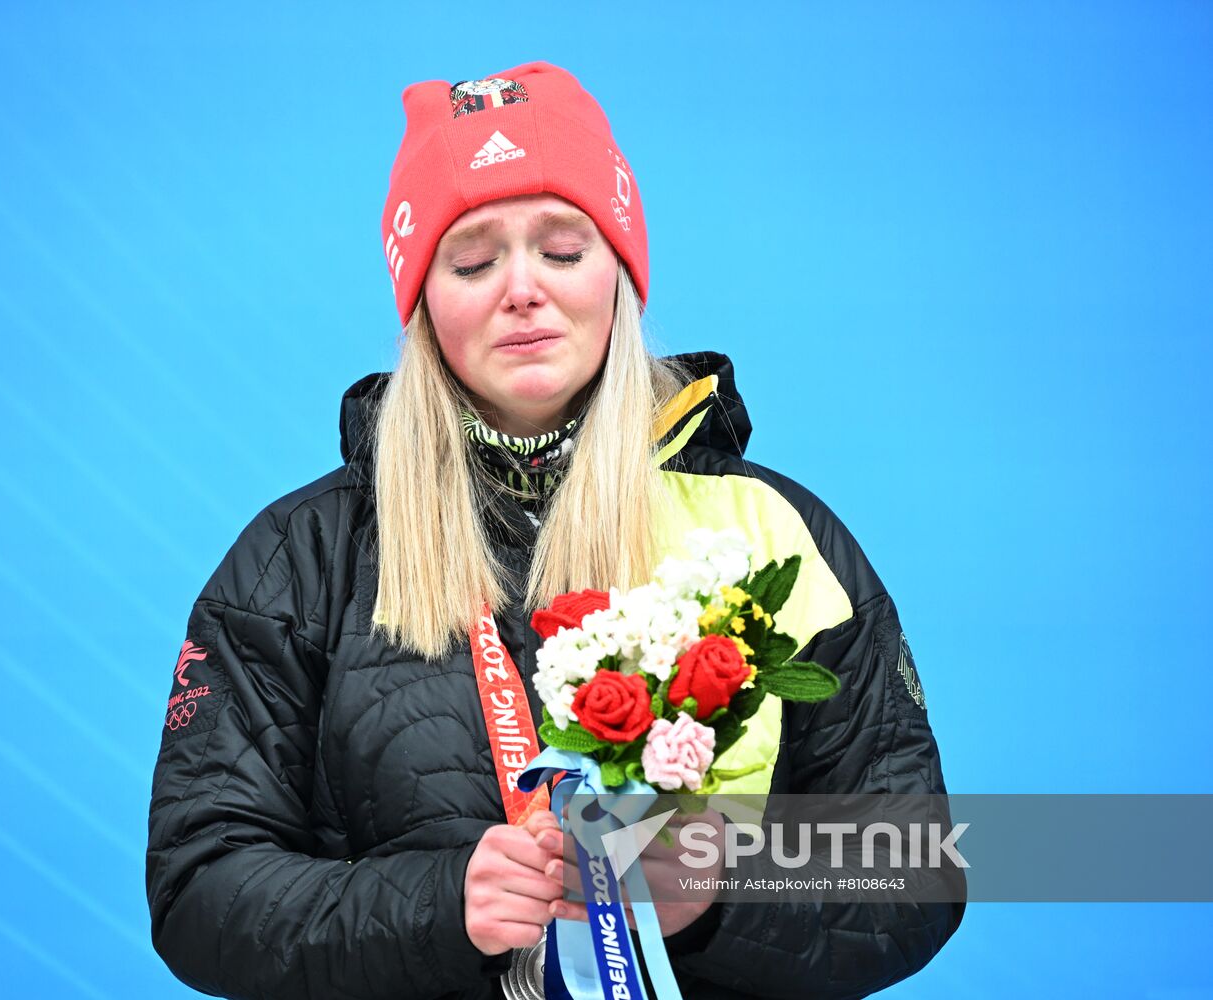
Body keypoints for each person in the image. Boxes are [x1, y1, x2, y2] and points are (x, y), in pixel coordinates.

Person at [146, 61, 963, 999]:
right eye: (473, 259)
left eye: (564, 250)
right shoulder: (299, 558)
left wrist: (719, 893)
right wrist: (441, 904)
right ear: (422, 303)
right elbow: (198, 888)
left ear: (620, 274)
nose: (522, 288)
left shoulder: (771, 533)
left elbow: (919, 870)